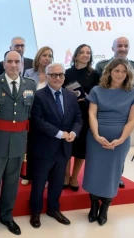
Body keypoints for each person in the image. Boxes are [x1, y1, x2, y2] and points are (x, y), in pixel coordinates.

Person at [0, 51, 36, 237]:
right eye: (9, 61)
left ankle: (7, 216)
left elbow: (30, 115)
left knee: (12, 182)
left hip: (19, 141)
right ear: (3, 64)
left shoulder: (31, 85)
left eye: (17, 61)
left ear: (22, 64)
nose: (13, 65)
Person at [29, 63, 82, 228]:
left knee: (58, 182)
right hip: (44, 148)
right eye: (54, 75)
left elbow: (78, 118)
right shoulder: (38, 96)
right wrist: (60, 133)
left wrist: (73, 133)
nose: (58, 78)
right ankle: (35, 212)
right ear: (47, 76)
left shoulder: (71, 96)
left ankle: (53, 209)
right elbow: (37, 121)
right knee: (38, 183)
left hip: (64, 148)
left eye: (61, 75)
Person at [83, 58, 134, 226]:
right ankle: (93, 206)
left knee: (112, 174)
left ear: (128, 74)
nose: (120, 74)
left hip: (120, 140)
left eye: (123, 71)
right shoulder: (97, 90)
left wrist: (120, 140)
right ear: (109, 71)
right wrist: (97, 136)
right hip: (96, 139)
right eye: (117, 70)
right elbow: (92, 115)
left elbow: (131, 121)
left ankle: (105, 208)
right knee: (94, 171)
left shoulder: (132, 92)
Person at [95, 37, 134, 189]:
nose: (123, 48)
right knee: (102, 150)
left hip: (126, 114)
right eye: (119, 46)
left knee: (120, 150)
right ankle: (99, 177)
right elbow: (97, 88)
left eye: (126, 46)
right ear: (113, 48)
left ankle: (117, 176)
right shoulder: (101, 65)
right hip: (105, 113)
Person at [63, 44, 100, 191]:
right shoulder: (67, 72)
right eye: (82, 52)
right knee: (67, 145)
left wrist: (88, 98)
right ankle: (65, 175)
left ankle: (74, 177)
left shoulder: (94, 73)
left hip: (85, 113)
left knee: (80, 148)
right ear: (76, 55)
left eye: (88, 53)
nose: (86, 55)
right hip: (68, 113)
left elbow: (98, 94)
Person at [22, 46, 54, 185]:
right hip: (30, 115)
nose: (47, 58)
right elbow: (24, 93)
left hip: (48, 116)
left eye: (50, 55)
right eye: (44, 55)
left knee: (45, 149)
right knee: (30, 147)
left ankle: (44, 177)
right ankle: (27, 175)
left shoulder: (53, 74)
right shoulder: (29, 72)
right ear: (38, 57)